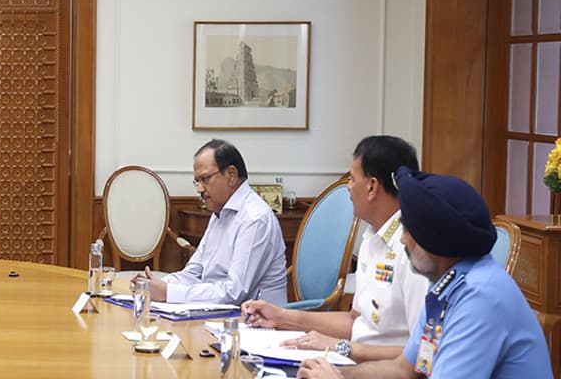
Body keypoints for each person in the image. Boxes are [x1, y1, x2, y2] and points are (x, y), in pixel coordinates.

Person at [296, 167, 552, 379]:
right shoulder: (445, 284)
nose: (403, 240)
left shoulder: (480, 299)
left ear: (434, 242)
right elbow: (404, 369)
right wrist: (339, 374)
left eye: (408, 231)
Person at [243, 135, 427, 363]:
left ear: (372, 187)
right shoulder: (372, 239)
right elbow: (356, 323)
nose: (348, 188)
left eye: (352, 179)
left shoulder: (414, 247)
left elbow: (421, 352)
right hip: (354, 362)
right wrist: (281, 317)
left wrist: (342, 348)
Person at [138, 139, 286, 304]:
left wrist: (168, 293)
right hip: (220, 315)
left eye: (205, 179)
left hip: (254, 323)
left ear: (231, 175)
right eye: (197, 182)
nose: (200, 189)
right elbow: (194, 273)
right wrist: (154, 284)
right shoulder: (220, 213)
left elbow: (234, 292)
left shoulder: (255, 218)